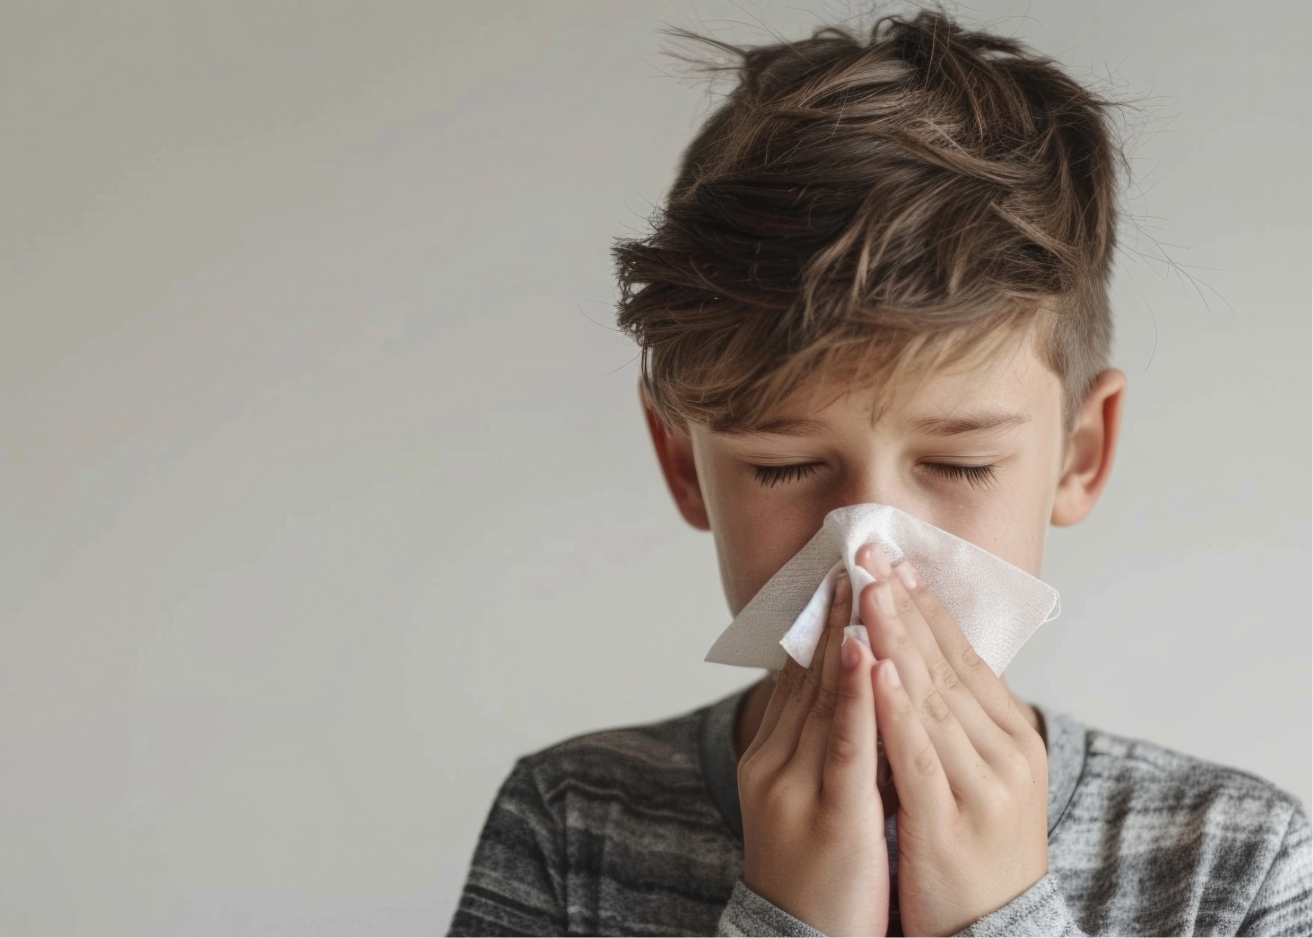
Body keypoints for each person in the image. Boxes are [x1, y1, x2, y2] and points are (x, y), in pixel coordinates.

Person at [447, 9, 1312, 936]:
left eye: (959, 463)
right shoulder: (571, 822)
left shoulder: (1234, 857)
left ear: (1079, 453)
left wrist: (999, 917)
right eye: (783, 468)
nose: (868, 557)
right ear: (683, 466)